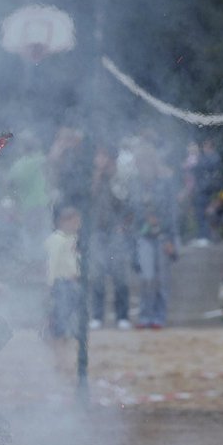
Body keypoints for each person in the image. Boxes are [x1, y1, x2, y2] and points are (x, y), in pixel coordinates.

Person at [129, 147, 180, 329]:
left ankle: (160, 316)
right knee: (147, 277)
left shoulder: (165, 184)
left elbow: (171, 212)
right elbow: (132, 210)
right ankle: (145, 315)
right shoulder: (135, 184)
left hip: (162, 236)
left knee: (161, 278)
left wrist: (171, 240)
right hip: (143, 236)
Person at [88, 144, 133, 330]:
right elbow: (88, 197)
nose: (100, 160)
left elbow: (126, 202)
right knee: (97, 276)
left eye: (103, 156)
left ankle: (123, 316)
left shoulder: (120, 177)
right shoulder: (93, 177)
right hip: (97, 232)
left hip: (115, 231)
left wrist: (123, 227)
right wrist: (98, 176)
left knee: (120, 276)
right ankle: (97, 315)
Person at [43, 205, 81, 372]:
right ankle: (59, 359)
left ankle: (64, 359)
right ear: (64, 221)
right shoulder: (56, 239)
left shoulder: (71, 238)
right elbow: (51, 264)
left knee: (67, 324)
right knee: (59, 324)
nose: (77, 224)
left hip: (71, 284)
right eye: (74, 221)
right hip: (60, 284)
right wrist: (50, 286)